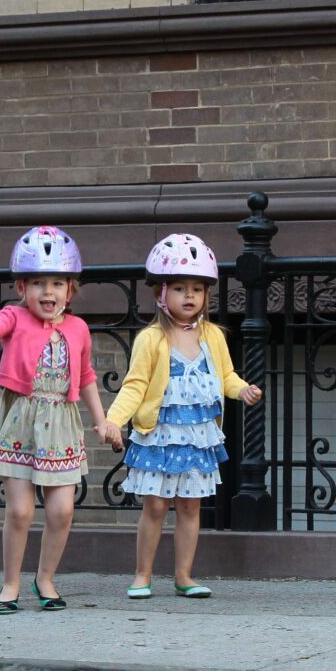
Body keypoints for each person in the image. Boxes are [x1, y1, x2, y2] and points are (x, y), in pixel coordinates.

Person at [0, 226, 123, 614]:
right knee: (20, 510)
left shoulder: (78, 328)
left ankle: (45, 578)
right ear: (22, 287)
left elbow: (86, 376)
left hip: (61, 423)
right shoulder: (14, 316)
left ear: (70, 290)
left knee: (61, 510)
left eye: (57, 283)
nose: (48, 292)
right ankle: (10, 584)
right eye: (38, 283)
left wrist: (102, 420)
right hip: (21, 421)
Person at [104, 233, 262, 599]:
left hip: (197, 435)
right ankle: (142, 575)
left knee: (191, 506)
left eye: (197, 288)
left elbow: (226, 376)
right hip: (160, 434)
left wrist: (242, 390)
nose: (189, 296)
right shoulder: (151, 339)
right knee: (156, 505)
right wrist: (115, 419)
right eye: (178, 288)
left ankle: (185, 576)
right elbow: (134, 386)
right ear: (161, 293)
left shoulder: (214, 336)